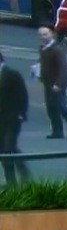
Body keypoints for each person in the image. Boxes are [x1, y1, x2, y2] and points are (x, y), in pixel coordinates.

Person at [37, 26, 67, 139]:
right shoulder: (43, 48)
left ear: (51, 34)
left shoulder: (57, 49)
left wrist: (59, 84)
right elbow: (43, 64)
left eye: (45, 34)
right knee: (51, 108)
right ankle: (57, 131)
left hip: (57, 83)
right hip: (48, 83)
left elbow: (63, 68)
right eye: (41, 35)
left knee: (60, 107)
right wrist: (40, 76)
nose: (43, 37)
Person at [0, 50, 31, 185]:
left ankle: (15, 179)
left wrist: (21, 114)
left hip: (12, 120)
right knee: (5, 149)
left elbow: (23, 95)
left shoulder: (12, 75)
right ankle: (13, 177)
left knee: (8, 148)